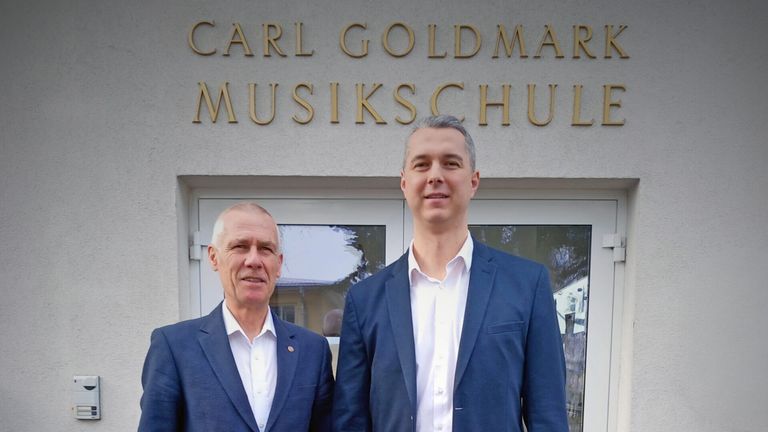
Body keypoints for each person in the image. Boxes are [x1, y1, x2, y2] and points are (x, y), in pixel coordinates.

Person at [333, 115, 568, 432]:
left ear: (473, 181)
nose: (435, 176)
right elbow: (350, 419)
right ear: (404, 183)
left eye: (450, 163)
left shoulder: (527, 286)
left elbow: (548, 416)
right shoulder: (365, 300)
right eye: (422, 164)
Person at [139, 202, 333, 432]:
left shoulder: (313, 350)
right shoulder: (173, 346)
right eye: (240, 246)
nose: (254, 260)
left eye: (265, 249)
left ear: (278, 264)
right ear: (213, 257)